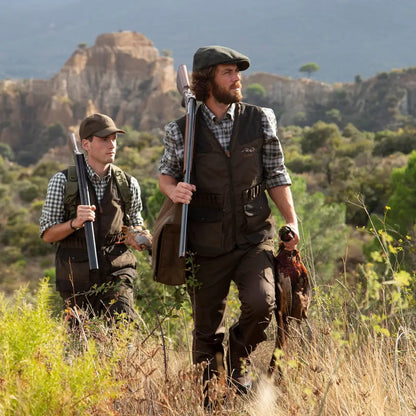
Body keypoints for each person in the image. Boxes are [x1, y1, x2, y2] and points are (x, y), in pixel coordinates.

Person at [158, 45, 299, 394]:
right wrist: (173, 191)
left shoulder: (260, 118)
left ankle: (238, 358)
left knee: (262, 302)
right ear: (207, 81)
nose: (238, 79)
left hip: (254, 236)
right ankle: (213, 396)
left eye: (238, 72)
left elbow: (276, 174)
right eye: (228, 72)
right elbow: (165, 176)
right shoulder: (180, 130)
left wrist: (292, 221)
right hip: (204, 244)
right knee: (206, 331)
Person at [40, 113, 150, 321]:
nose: (112, 144)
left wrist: (137, 237)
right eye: (104, 139)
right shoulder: (62, 182)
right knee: (80, 342)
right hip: (75, 278)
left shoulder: (128, 183)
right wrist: (74, 223)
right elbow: (47, 234)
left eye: (114, 139)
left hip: (117, 272)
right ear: (86, 144)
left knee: (123, 327)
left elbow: (135, 225)